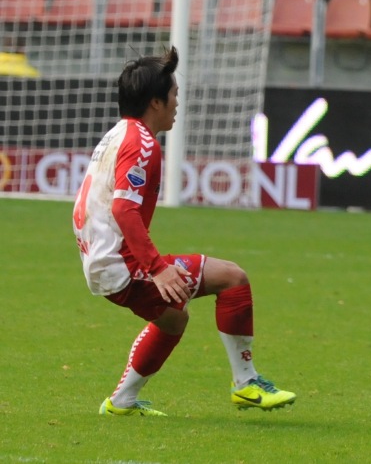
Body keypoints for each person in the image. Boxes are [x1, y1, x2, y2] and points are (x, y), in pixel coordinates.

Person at [72, 47, 296, 417]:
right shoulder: (141, 144)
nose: (178, 102)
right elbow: (123, 209)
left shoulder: (119, 134)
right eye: (174, 94)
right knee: (233, 278)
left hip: (104, 258)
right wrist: (157, 267)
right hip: (121, 261)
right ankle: (246, 383)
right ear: (156, 101)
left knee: (174, 318)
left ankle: (122, 402)